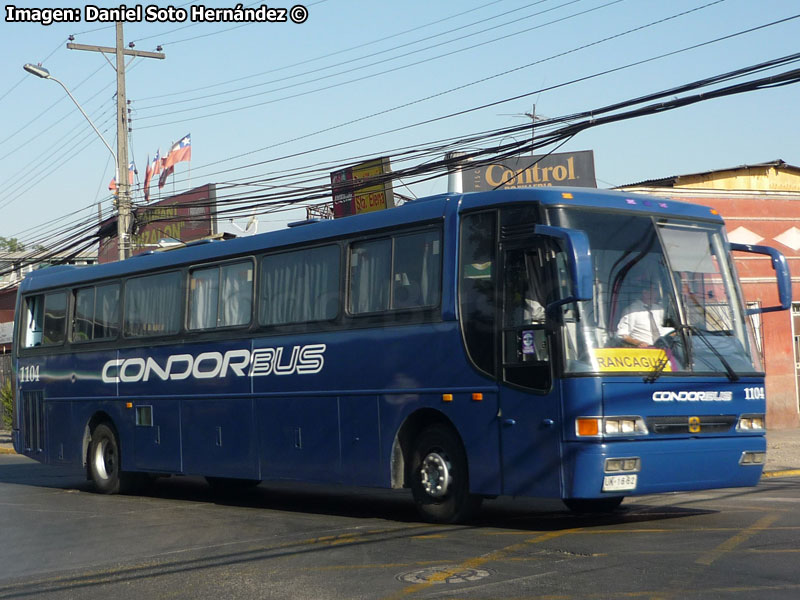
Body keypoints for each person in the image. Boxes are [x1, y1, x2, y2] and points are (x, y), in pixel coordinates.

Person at [616, 279, 673, 348]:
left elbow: (664, 330)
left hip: (662, 349)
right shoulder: (632, 310)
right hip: (643, 351)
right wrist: (638, 343)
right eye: (654, 291)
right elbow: (622, 334)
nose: (657, 294)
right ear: (645, 293)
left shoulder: (659, 309)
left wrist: (673, 333)